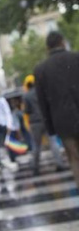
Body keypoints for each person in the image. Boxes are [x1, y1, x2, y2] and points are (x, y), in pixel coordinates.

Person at [34, 31, 79, 188]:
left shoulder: (41, 69)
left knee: (74, 158)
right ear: (62, 42)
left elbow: (42, 102)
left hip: (62, 122)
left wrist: (51, 129)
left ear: (47, 47)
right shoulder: (76, 58)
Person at [23, 75, 66, 175]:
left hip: (35, 123)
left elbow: (27, 111)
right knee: (53, 143)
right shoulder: (42, 92)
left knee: (36, 146)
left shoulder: (26, 96)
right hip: (46, 120)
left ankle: (35, 167)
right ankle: (60, 164)